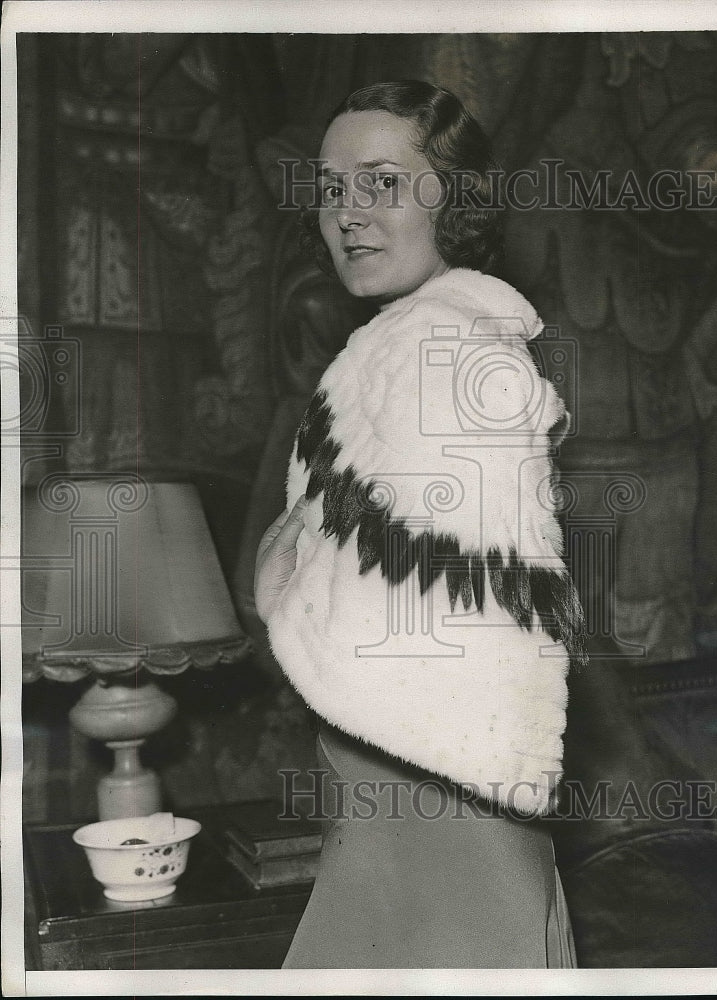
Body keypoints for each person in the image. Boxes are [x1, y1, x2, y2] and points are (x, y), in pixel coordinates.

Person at [254, 80, 586, 969]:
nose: (348, 215)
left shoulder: (449, 358)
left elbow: (445, 643)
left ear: (455, 198)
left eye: (383, 183)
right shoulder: (398, 351)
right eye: (331, 189)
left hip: (441, 804)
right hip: (394, 801)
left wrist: (282, 598)